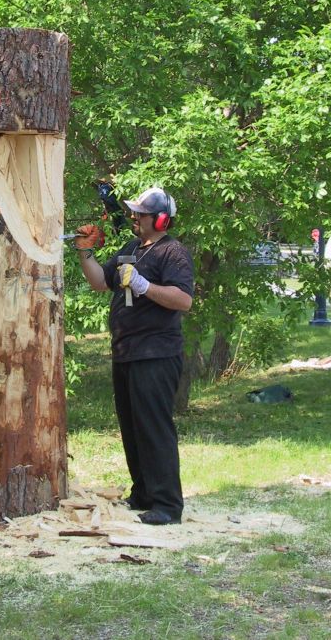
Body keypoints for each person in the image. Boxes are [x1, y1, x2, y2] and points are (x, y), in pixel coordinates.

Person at [74, 186, 194, 525]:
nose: (134, 218)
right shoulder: (131, 248)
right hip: (126, 352)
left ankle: (168, 505)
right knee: (132, 427)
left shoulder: (173, 253)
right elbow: (100, 282)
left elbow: (183, 300)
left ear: (160, 219)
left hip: (156, 353)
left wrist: (143, 286)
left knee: (154, 427)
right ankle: (143, 493)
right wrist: (85, 253)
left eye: (141, 214)